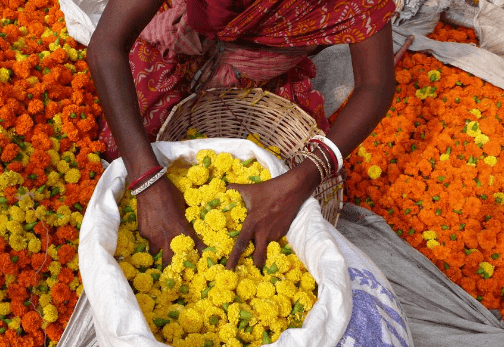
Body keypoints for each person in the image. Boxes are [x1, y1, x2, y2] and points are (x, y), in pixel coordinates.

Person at [86, 0, 396, 270]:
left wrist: (303, 178)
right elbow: (106, 44)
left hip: (266, 59)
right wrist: (147, 181)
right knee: (122, 147)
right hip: (191, 31)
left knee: (284, 169)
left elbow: (376, 84)